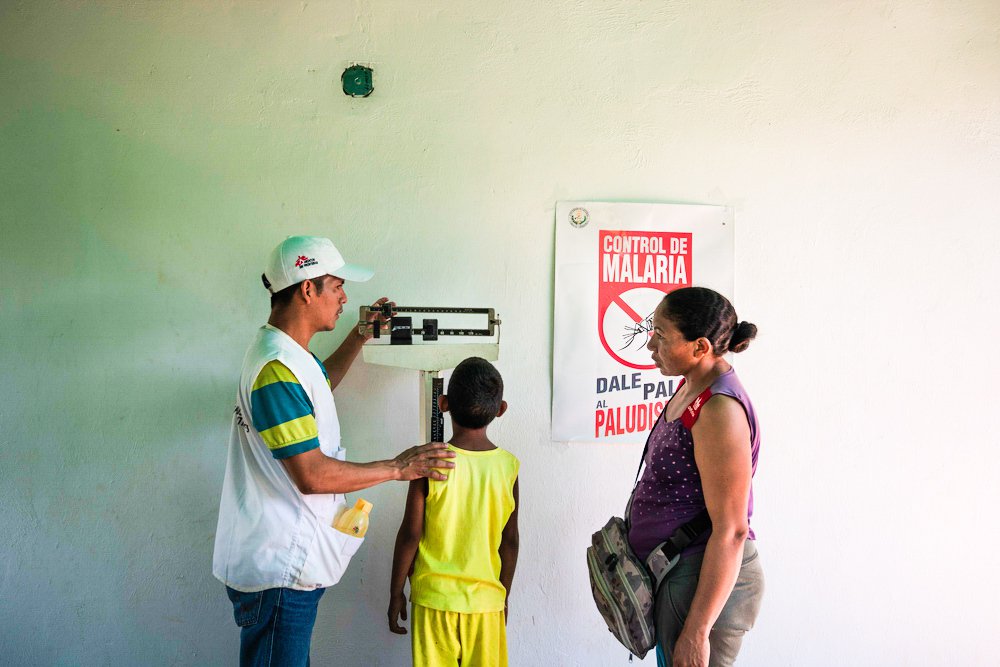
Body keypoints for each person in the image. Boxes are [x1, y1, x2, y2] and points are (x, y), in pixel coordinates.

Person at [213, 235, 456, 667]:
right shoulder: (275, 369)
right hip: (278, 573)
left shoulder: (289, 358)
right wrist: (400, 467)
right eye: (337, 285)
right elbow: (312, 475)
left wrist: (360, 336)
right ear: (308, 289)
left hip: (286, 568)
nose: (345, 297)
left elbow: (319, 383)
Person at [629, 287, 765, 667]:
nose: (651, 345)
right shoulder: (693, 383)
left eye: (661, 335)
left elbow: (732, 529)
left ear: (700, 346)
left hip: (702, 584)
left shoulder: (721, 410)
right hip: (676, 574)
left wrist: (697, 631)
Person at [387, 357, 520, 667]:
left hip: (434, 602)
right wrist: (503, 597)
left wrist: (395, 592)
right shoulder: (508, 467)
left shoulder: (427, 461)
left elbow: (410, 534)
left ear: (443, 403)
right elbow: (509, 541)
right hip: (486, 605)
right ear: (500, 409)